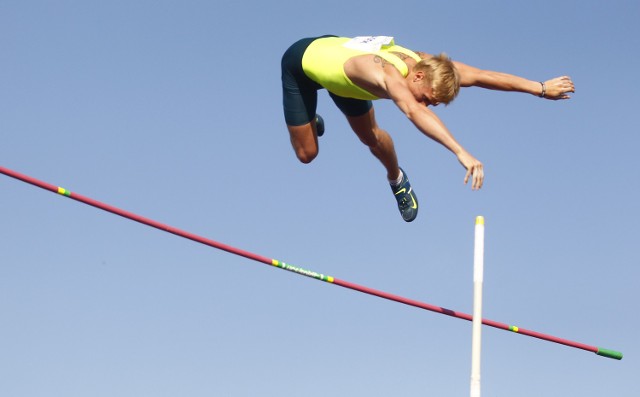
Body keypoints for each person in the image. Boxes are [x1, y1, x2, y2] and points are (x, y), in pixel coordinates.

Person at [280, 35, 575, 222]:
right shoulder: (386, 75)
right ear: (418, 77)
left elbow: (483, 76)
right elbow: (412, 110)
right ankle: (310, 119)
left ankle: (397, 180)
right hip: (301, 66)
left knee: (370, 137)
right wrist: (460, 152)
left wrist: (539, 88)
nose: (427, 105)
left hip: (347, 85)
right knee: (307, 154)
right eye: (429, 99)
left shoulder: (427, 64)